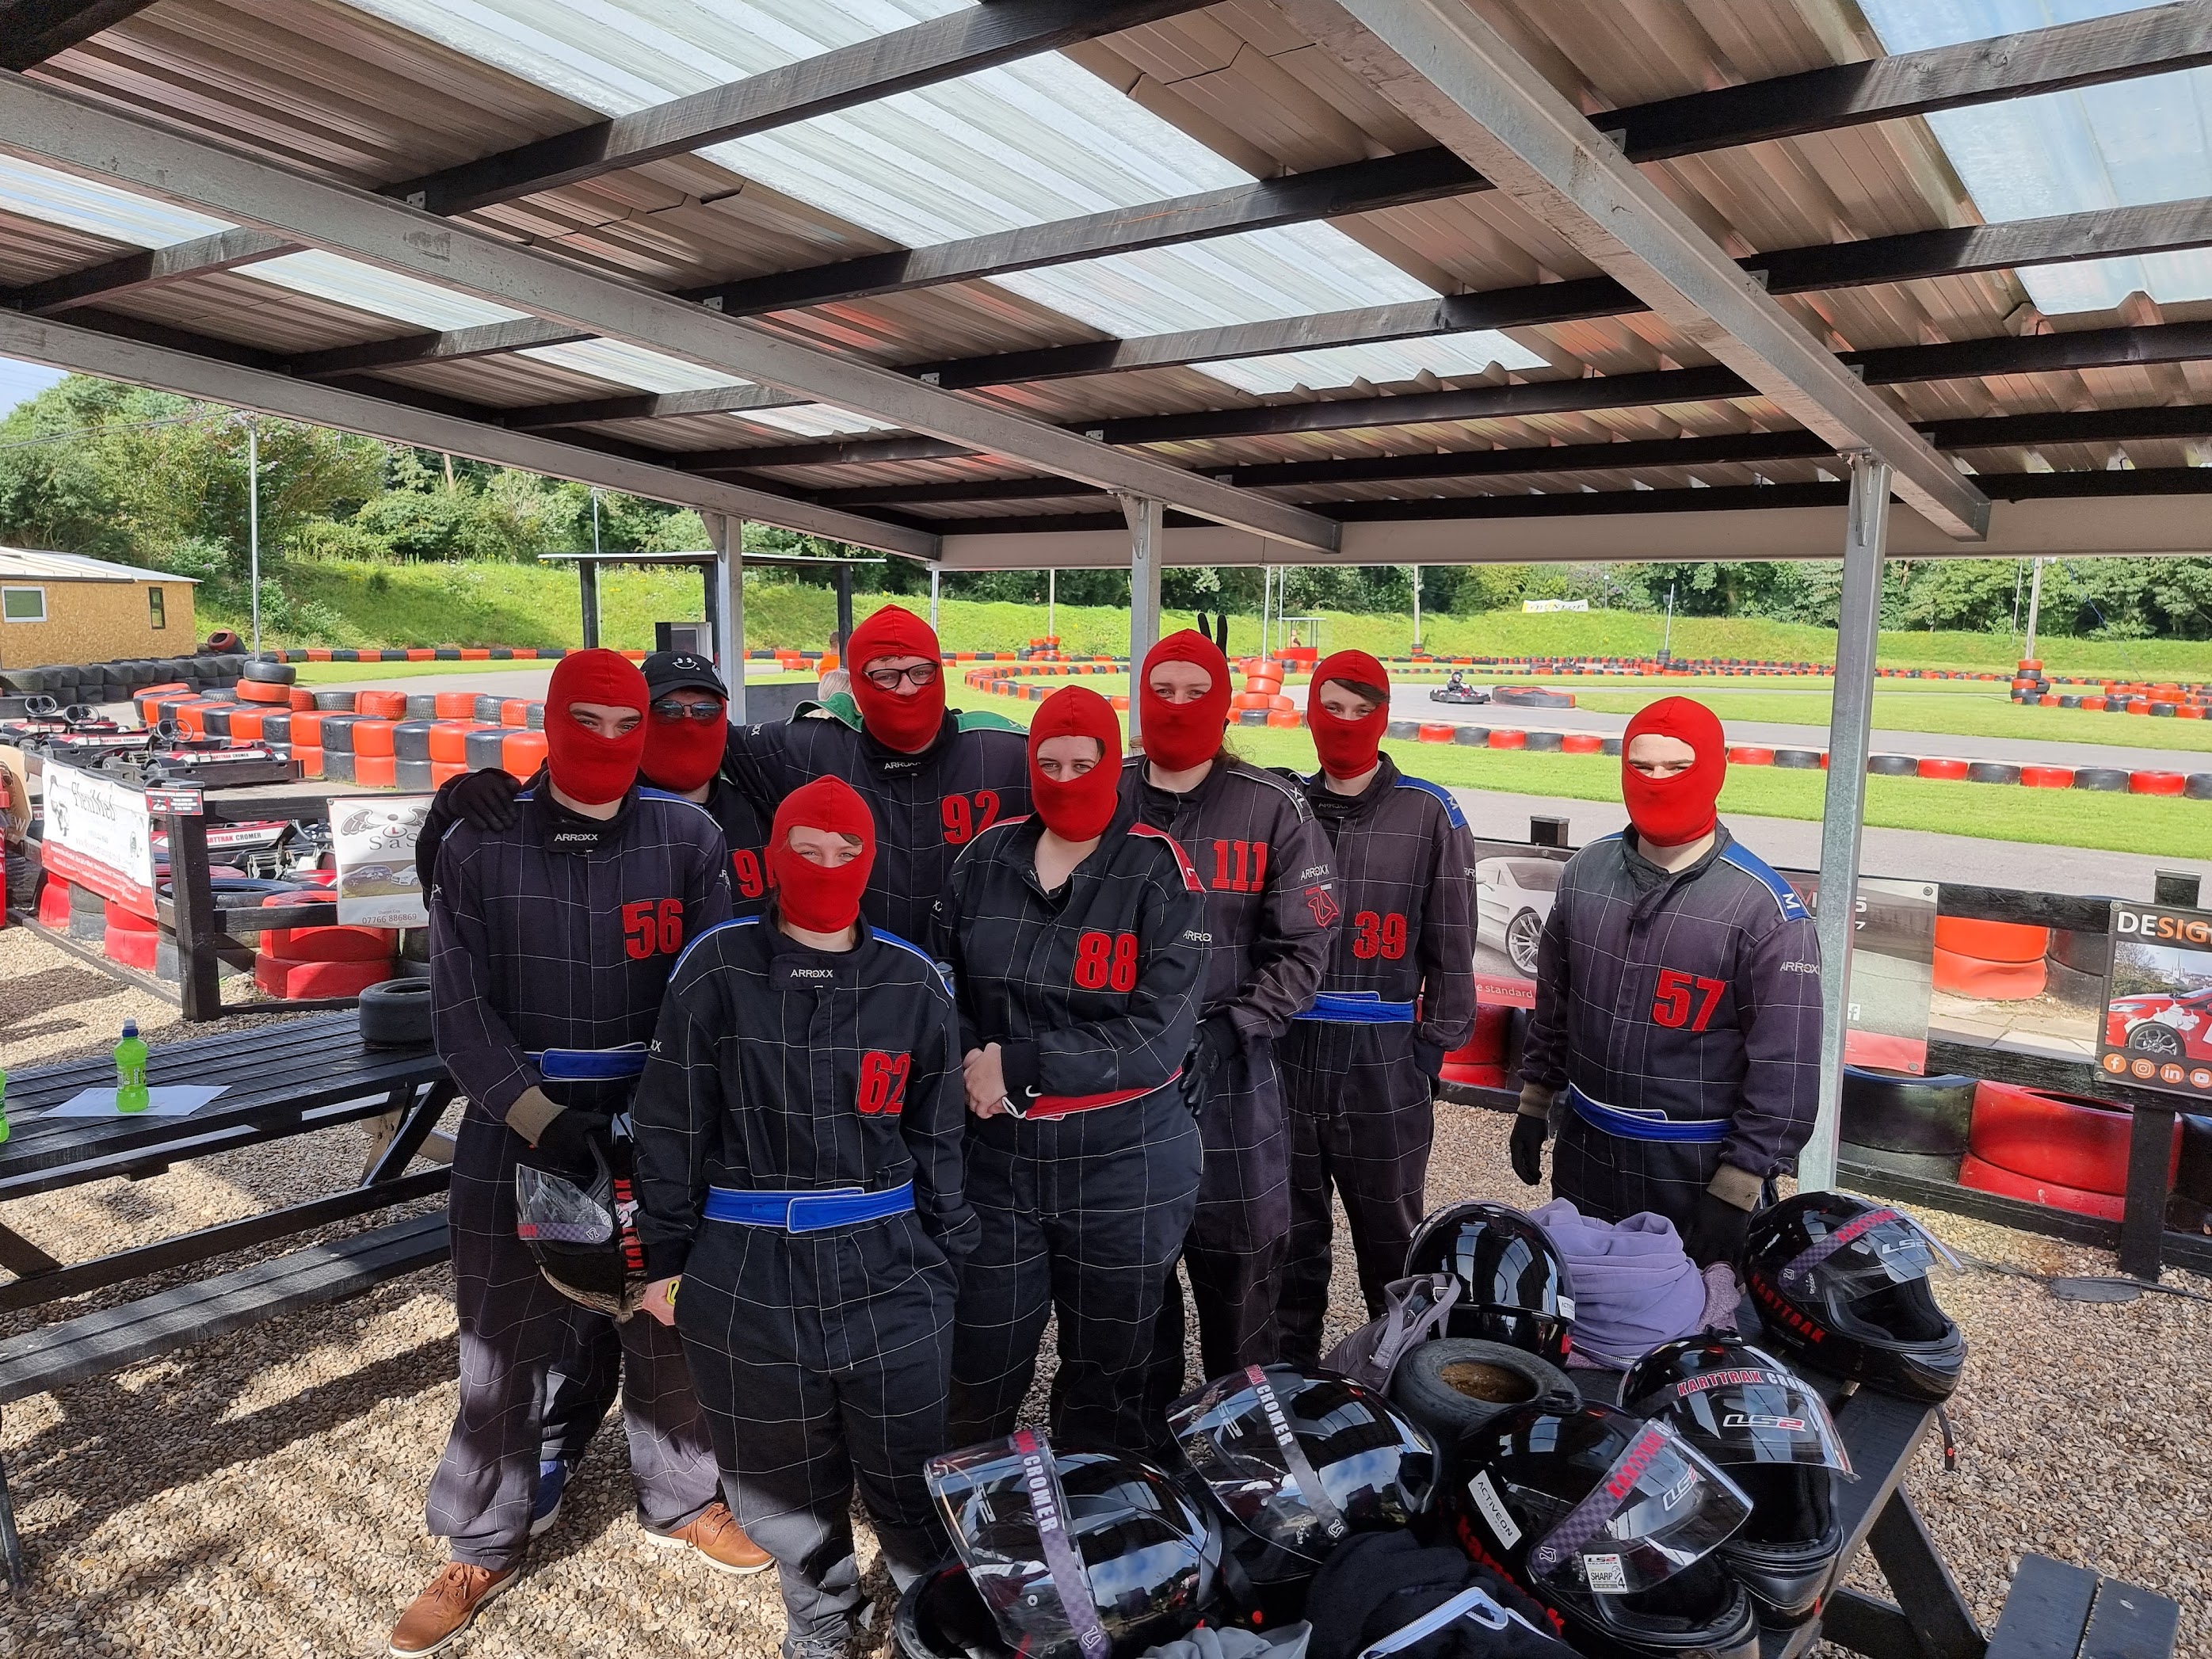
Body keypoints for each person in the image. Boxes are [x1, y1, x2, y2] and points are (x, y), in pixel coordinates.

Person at [395, 649, 766, 1658]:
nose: (606, 742)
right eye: (586, 721)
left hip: (654, 1120)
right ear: (552, 721)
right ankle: (480, 1539)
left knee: (667, 1319)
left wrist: (663, 1114)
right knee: (500, 1339)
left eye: (623, 725)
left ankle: (688, 1498)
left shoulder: (689, 836)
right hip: (519, 1123)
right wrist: (539, 1118)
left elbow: (713, 989)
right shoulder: (481, 841)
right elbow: (457, 1012)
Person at [631, 776, 976, 1659]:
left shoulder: (912, 982)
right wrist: (668, 1260)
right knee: (777, 1479)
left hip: (887, 1251)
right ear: (775, 860)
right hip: (745, 1259)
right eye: (807, 853)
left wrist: (944, 1250)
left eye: (845, 854)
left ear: (870, 862)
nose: (825, 870)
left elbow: (938, 1135)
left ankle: (929, 1616)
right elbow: (670, 1125)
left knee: (907, 1466)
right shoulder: (714, 969)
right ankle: (821, 1619)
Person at [933, 685, 1205, 1455]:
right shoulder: (982, 859)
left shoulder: (1160, 874)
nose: (1064, 777)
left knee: (1112, 1371)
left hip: (1124, 1162)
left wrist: (1021, 1065)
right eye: (1047, 762)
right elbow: (939, 986)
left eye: (1082, 762)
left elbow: (1160, 1036)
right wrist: (964, 1063)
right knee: (978, 1359)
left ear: (1112, 764)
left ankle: (1105, 1516)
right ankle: (958, 1522)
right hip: (998, 1159)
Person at [1511, 696, 1824, 1267]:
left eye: (1677, 767)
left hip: (1695, 1167)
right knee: (1585, 1311)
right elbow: (1554, 1005)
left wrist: (1738, 1187)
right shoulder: (1586, 874)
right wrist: (1534, 1103)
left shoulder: (1764, 912)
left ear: (1713, 769)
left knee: (1692, 1328)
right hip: (1587, 1144)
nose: (1657, 781)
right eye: (1642, 765)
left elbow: (1786, 1070)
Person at [1119, 631, 1337, 1407]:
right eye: (1162, 691)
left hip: (1234, 1086)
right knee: (1132, 1294)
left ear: (1222, 704)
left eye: (1194, 692)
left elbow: (1307, 946)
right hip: (1122, 1090)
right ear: (1141, 700)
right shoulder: (1102, 796)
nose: (1176, 707)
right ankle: (1138, 1460)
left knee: (1241, 1287)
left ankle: (1239, 1454)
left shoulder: (1272, 808)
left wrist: (1234, 1026)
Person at [1276, 651, 1478, 1366]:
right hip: (1287, 1050)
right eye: (1333, 707)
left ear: (1386, 715)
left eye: (1364, 710)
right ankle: (1292, 1391)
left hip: (1384, 1059)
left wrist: (1431, 1049)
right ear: (1308, 712)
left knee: (1393, 1244)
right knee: (1288, 1243)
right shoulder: (1283, 806)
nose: (1347, 724)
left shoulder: (1430, 814)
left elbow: (1454, 947)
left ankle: (1407, 1383)